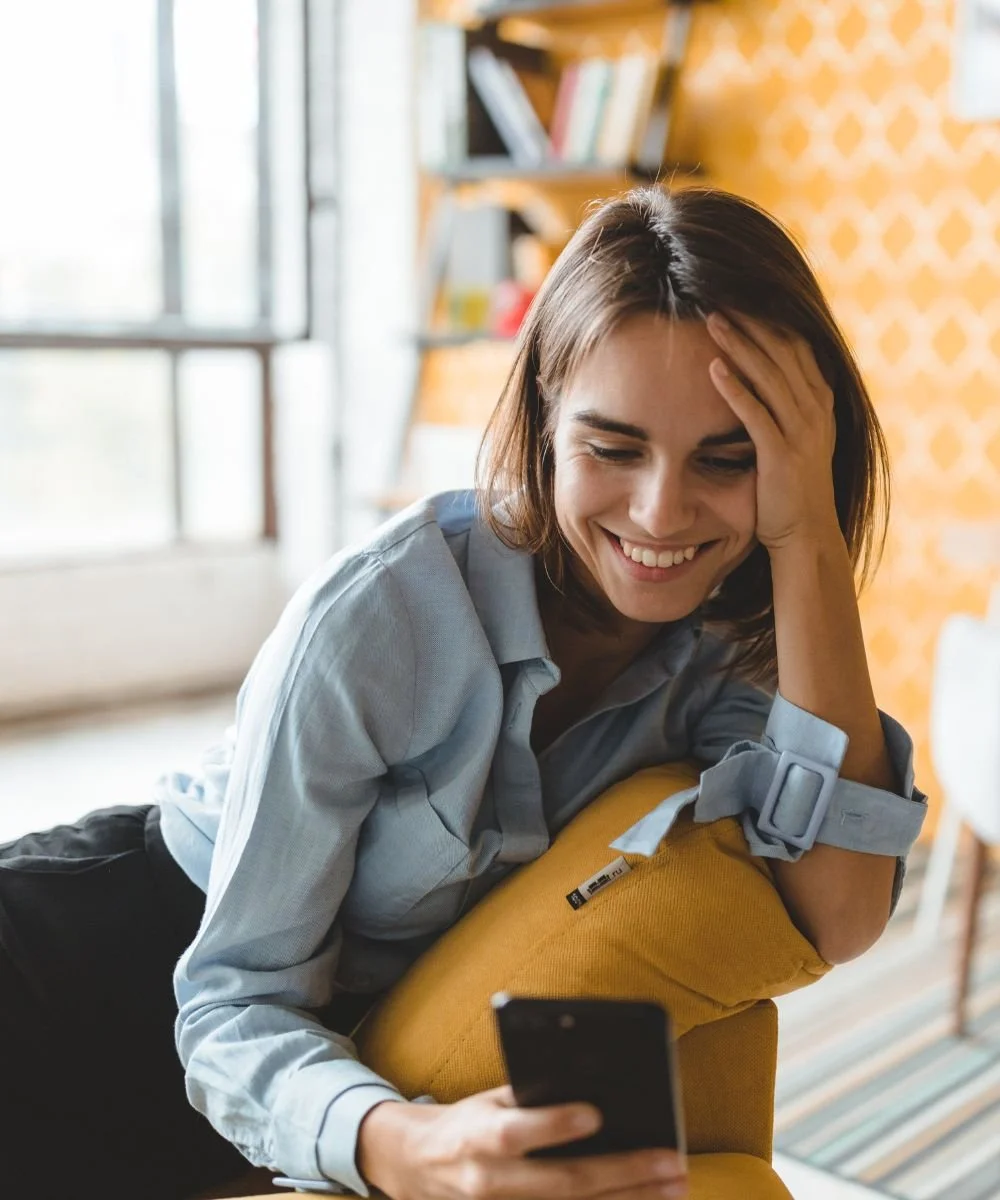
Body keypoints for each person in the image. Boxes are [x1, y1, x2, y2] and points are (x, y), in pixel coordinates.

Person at [1, 186, 926, 1200]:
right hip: (102, 975)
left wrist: (808, 544)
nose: (662, 512)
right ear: (540, 418)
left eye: (729, 456)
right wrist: (405, 1146)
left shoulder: (729, 639)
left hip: (312, 1069)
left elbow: (837, 918)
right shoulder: (381, 614)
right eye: (612, 446)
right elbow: (230, 1005)